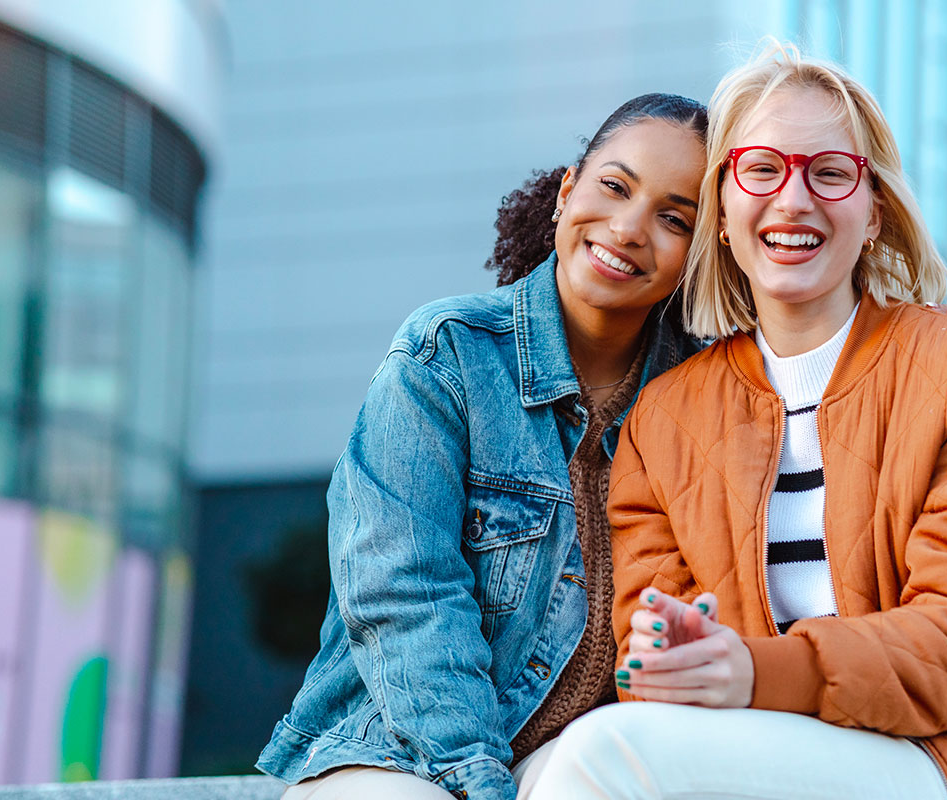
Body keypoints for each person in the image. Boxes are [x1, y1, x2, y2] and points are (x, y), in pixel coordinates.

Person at [526, 44, 947, 800]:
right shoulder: (665, 417)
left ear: (874, 213)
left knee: (599, 758)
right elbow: (648, 654)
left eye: (829, 173)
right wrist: (672, 654)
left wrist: (759, 670)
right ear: (723, 213)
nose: (793, 201)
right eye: (762, 170)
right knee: (551, 768)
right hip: (755, 752)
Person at [255, 93, 710, 800]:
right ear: (568, 191)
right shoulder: (447, 360)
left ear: (699, 254)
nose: (628, 229)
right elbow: (404, 595)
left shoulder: (703, 399)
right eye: (614, 187)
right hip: (395, 752)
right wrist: (477, 781)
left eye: (673, 218)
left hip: (573, 765)